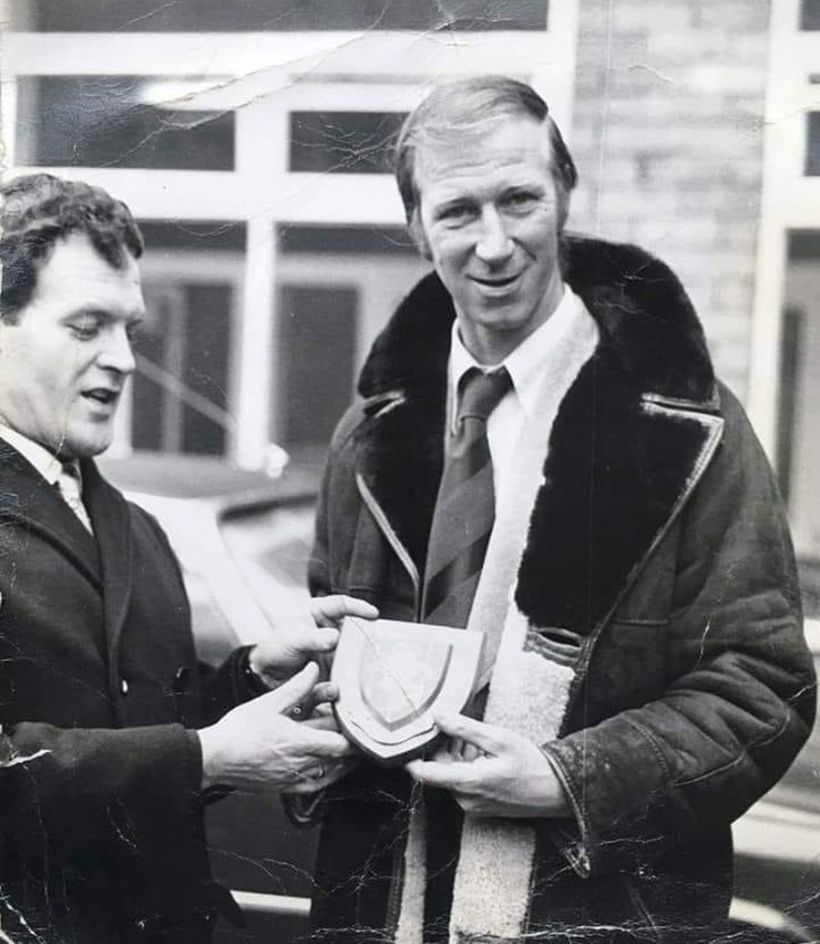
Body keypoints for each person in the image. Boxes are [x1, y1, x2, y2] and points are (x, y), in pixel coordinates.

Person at [299, 77, 817, 943]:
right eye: (459, 212)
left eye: (520, 200)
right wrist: (325, 687)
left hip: (598, 913)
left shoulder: (688, 427)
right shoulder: (371, 433)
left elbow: (763, 684)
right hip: (385, 910)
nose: (495, 245)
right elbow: (339, 656)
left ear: (564, 198)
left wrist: (568, 778)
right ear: (416, 229)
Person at [0, 173, 373, 943]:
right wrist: (205, 757)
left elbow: (135, 715)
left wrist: (253, 678)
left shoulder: (134, 528)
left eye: (129, 328)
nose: (126, 359)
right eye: (87, 326)